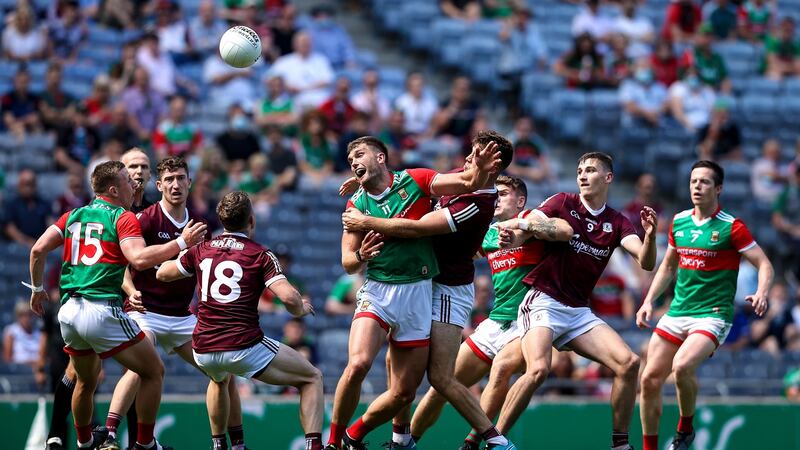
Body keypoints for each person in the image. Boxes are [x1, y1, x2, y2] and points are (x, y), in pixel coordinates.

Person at [341, 131, 516, 450]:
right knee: (397, 369)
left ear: (493, 165)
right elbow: (411, 184)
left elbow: (414, 228)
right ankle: (399, 439)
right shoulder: (463, 182)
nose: (467, 159)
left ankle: (496, 440)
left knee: (440, 377)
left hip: (448, 290)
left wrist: (365, 219)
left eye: (475, 155)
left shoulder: (476, 202)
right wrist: (369, 183)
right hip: (421, 284)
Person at [27, 160, 208, 450]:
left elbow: (37, 250)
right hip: (101, 309)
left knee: (85, 382)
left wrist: (36, 290)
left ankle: (85, 444)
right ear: (113, 189)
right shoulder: (122, 217)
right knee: (152, 370)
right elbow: (138, 259)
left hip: (69, 312)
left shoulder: (73, 215)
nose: (134, 184)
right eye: (127, 180)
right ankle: (146, 444)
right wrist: (181, 243)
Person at [493, 152, 659, 450]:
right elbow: (532, 224)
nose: (582, 174)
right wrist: (514, 237)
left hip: (578, 311)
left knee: (629, 363)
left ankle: (620, 444)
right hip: (542, 301)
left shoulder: (617, 221)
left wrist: (650, 236)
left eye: (591, 170)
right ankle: (495, 440)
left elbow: (646, 263)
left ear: (607, 178)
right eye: (580, 169)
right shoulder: (563, 202)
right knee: (539, 370)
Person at [156, 191, 324, 450]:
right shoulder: (260, 254)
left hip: (203, 348)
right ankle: (314, 445)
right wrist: (300, 309)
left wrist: (184, 250)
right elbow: (289, 298)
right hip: (242, 346)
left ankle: (218, 444)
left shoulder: (201, 249)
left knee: (218, 378)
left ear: (223, 221)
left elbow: (164, 274)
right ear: (252, 221)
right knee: (312, 377)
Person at [98, 157, 246, 450]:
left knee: (223, 372)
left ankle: (234, 444)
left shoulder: (201, 223)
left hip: (181, 316)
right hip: (145, 311)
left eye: (180, 178)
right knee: (143, 364)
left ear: (189, 182)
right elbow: (124, 263)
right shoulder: (146, 218)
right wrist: (129, 290)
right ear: (159, 185)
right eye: (169, 179)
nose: (175, 184)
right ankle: (110, 434)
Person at [637, 160, 773, 450]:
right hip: (677, 311)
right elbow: (668, 267)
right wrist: (649, 300)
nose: (697, 187)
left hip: (712, 316)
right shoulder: (679, 221)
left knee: (682, 365)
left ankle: (684, 430)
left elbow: (764, 264)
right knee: (648, 379)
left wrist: (762, 292)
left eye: (704, 182)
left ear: (718, 188)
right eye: (693, 181)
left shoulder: (731, 227)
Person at [401, 175, 543, 450]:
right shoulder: (489, 232)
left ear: (521, 200)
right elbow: (461, 254)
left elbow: (555, 228)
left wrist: (520, 229)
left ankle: (473, 442)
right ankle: (407, 443)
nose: (497, 198)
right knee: (440, 385)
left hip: (527, 322)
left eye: (503, 194)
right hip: (495, 322)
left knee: (500, 371)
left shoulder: (534, 222)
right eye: (496, 193)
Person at [270, 32, 334, 111]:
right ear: (295, 44)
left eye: (307, 43)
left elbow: (328, 80)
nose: (305, 45)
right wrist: (286, 86)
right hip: (293, 100)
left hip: (319, 100)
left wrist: (305, 88)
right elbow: (271, 78)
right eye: (302, 43)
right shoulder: (284, 61)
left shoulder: (321, 60)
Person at [2, 169, 52, 246]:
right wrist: (26, 242)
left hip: (40, 245)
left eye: (31, 184)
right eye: (25, 184)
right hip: (17, 248)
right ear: (19, 185)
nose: (28, 188)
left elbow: (50, 224)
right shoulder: (11, 204)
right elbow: (9, 228)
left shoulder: (44, 204)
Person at [619, 58, 668, 128]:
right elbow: (629, 106)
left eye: (647, 67)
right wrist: (647, 114)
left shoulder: (659, 86)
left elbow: (667, 104)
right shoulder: (628, 86)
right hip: (634, 126)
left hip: (657, 124)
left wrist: (656, 113)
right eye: (641, 67)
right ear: (635, 70)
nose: (644, 70)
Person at [3, 301, 40, 365]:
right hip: (18, 372)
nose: (26, 318)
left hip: (37, 370)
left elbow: (44, 357)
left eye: (29, 314)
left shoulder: (40, 333)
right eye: (22, 315)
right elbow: (7, 359)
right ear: (17, 316)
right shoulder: (11, 332)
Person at [121, 148, 155, 214]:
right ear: (121, 173)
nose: (139, 171)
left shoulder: (154, 212)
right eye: (133, 166)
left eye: (144, 167)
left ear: (150, 174)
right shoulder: (110, 210)